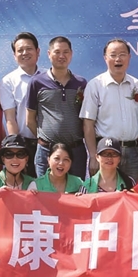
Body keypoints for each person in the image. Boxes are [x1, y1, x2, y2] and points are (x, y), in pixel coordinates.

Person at [80, 38, 138, 182]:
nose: (118, 59)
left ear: (129, 57)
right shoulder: (95, 85)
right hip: (106, 152)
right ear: (105, 58)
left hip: (133, 153)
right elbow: (88, 124)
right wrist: (93, 156)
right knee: (106, 193)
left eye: (122, 54)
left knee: (132, 193)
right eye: (113, 55)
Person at [26, 36, 87, 179]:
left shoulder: (81, 83)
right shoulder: (37, 82)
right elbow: (30, 120)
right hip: (46, 151)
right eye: (57, 52)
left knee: (75, 191)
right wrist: (45, 140)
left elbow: (86, 120)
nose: (61, 56)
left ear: (71, 54)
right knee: (45, 191)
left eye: (66, 52)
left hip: (76, 151)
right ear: (49, 54)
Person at [0, 32, 43, 177]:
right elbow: (10, 118)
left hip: (48, 143)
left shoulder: (48, 76)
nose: (25, 53)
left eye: (29, 49)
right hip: (25, 144)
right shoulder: (8, 81)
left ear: (38, 51)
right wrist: (16, 149)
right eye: (20, 50)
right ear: (14, 55)